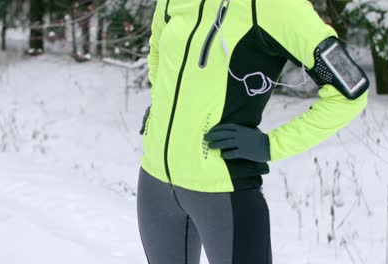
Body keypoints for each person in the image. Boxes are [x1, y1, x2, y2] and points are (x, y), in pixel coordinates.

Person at [137, 0, 369, 263]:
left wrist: (271, 145)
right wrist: (161, 104)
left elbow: (351, 91)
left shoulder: (277, 6)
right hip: (155, 184)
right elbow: (158, 47)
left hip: (224, 193)